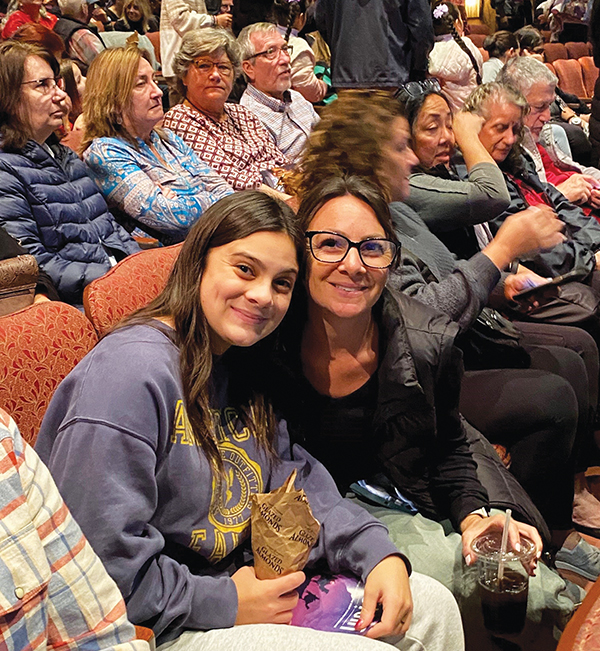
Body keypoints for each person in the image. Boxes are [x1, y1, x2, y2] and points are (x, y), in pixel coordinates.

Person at [35, 191, 465, 651]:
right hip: (158, 623)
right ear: (198, 263)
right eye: (244, 269)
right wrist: (224, 601)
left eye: (282, 283)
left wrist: (374, 551)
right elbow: (96, 567)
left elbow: (293, 483)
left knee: (432, 606)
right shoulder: (129, 374)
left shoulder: (243, 362)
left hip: (237, 584)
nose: (262, 295)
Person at [292, 90, 600, 585]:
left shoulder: (397, 211)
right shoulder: (338, 231)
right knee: (553, 394)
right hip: (419, 362)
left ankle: (547, 529)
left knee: (575, 353)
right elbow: (418, 315)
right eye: (401, 146)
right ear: (365, 156)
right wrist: (500, 252)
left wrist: (501, 284)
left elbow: (441, 275)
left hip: (445, 348)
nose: (414, 157)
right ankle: (548, 539)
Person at [0, 41, 139, 306]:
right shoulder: (5, 170)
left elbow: (110, 228)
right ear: (7, 97)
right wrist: (114, 277)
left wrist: (138, 265)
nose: (60, 96)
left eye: (57, 84)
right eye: (43, 85)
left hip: (117, 284)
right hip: (79, 303)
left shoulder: (65, 156)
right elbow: (31, 264)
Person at [0, 409, 149, 651]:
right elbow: (123, 566)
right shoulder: (114, 404)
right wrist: (214, 600)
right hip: (169, 612)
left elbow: (97, 637)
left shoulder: (3, 439)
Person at [81, 45, 233, 244]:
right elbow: (173, 218)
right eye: (141, 84)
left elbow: (226, 192)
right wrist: (208, 199)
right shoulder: (104, 153)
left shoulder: (168, 139)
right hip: (170, 255)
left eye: (154, 79)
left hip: (214, 240)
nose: (158, 92)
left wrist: (179, 200)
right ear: (114, 100)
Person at [463, 83, 600, 283]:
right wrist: (590, 261)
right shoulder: (478, 184)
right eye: (500, 128)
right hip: (547, 273)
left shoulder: (517, 158)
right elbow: (534, 249)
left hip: (574, 256)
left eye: (515, 129)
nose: (510, 139)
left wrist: (597, 245)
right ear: (474, 128)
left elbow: (560, 204)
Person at [163, 28, 290, 193]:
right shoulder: (180, 118)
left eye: (223, 67)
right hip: (249, 203)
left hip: (281, 191)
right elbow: (233, 181)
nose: (215, 75)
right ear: (184, 75)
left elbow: (280, 162)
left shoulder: (241, 112)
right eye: (204, 66)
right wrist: (286, 196)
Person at [496, 56, 600, 215]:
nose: (547, 116)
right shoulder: (503, 153)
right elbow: (521, 217)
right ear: (511, 105)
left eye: (549, 105)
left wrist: (593, 186)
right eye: (539, 107)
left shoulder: (539, 135)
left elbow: (574, 167)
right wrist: (560, 194)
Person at [238, 22, 319, 163]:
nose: (286, 59)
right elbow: (276, 175)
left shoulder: (296, 97)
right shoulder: (249, 119)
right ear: (249, 68)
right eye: (271, 52)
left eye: (285, 49)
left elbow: (326, 140)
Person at [314, 0, 434, 89]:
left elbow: (321, 18)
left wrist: (340, 49)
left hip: (345, 76)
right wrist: (417, 69)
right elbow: (421, 29)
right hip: (391, 77)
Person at [160, 0, 232, 105]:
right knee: (182, 109)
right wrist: (214, 20)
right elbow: (180, 20)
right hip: (180, 61)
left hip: (201, 59)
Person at [428, 1, 482, 112]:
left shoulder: (428, 52)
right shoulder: (468, 47)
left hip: (443, 116)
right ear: (457, 23)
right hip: (470, 112)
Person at [270, 0, 327, 104]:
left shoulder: (263, 36)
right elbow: (311, 93)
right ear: (301, 17)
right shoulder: (299, 47)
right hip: (287, 105)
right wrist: (324, 85)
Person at [54, 0, 106, 72]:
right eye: (91, 7)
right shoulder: (83, 35)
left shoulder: (59, 25)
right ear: (84, 9)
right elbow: (107, 66)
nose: (93, 11)